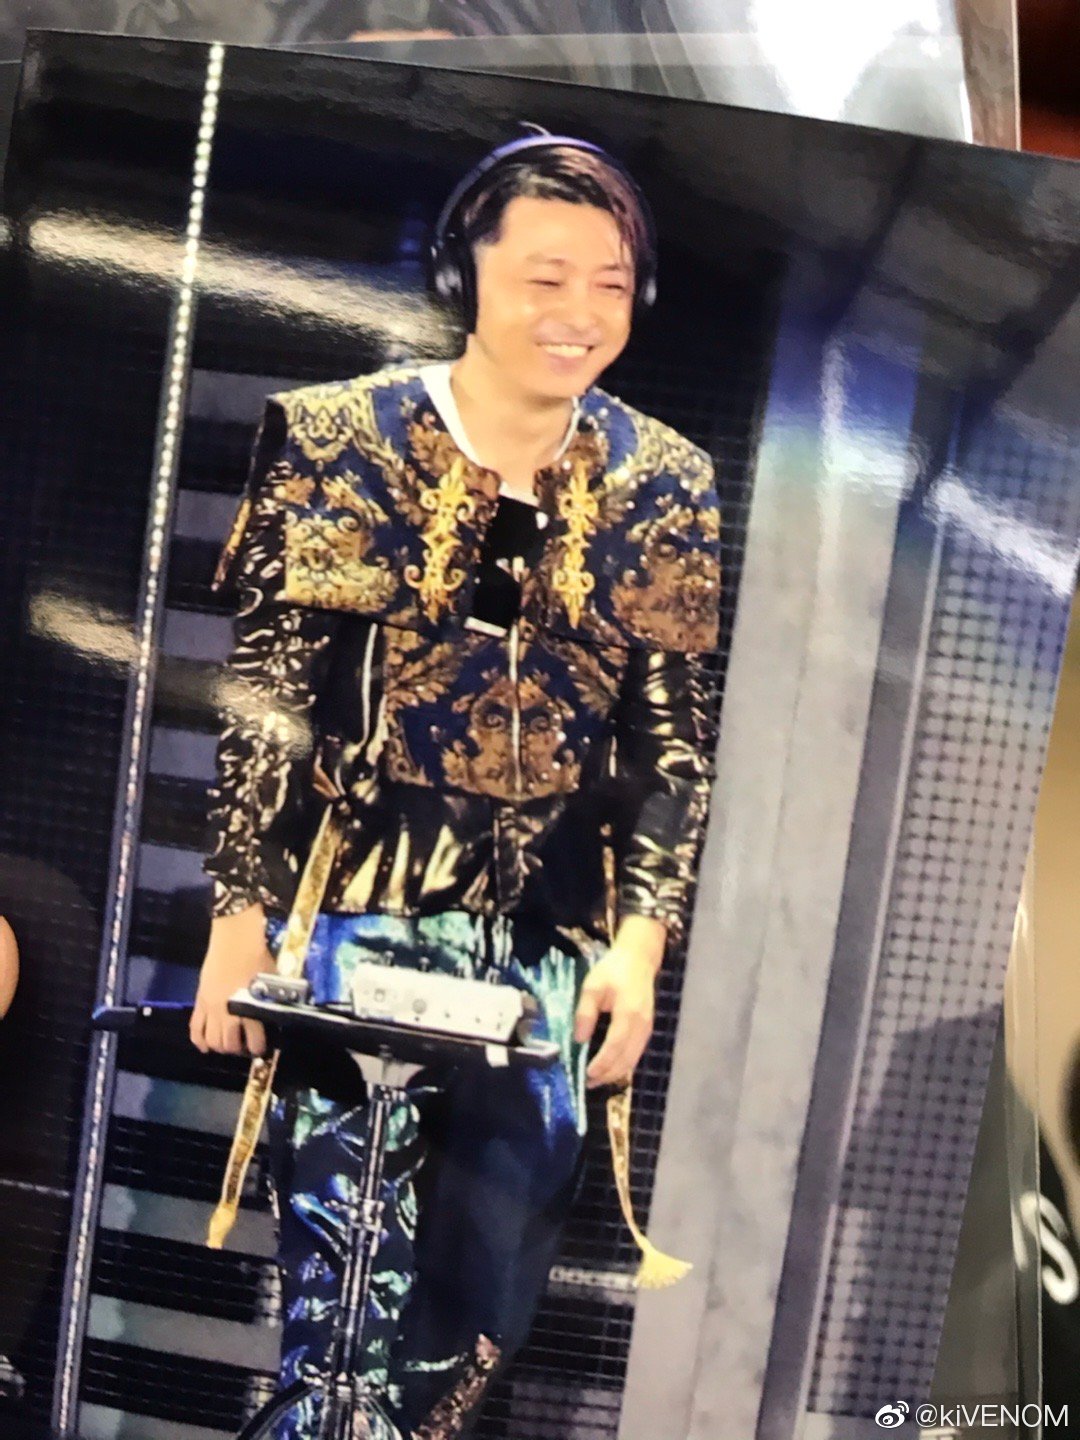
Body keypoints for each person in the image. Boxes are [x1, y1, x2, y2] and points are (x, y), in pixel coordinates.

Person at [190, 133, 722, 1439]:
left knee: (478, 1330)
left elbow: (669, 743)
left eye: (610, 284)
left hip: (548, 954)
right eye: (546, 277)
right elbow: (268, 699)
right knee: (342, 1322)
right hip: (361, 923)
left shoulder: (665, 480)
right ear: (463, 276)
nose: (579, 312)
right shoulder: (339, 438)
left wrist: (641, 945)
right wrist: (238, 915)